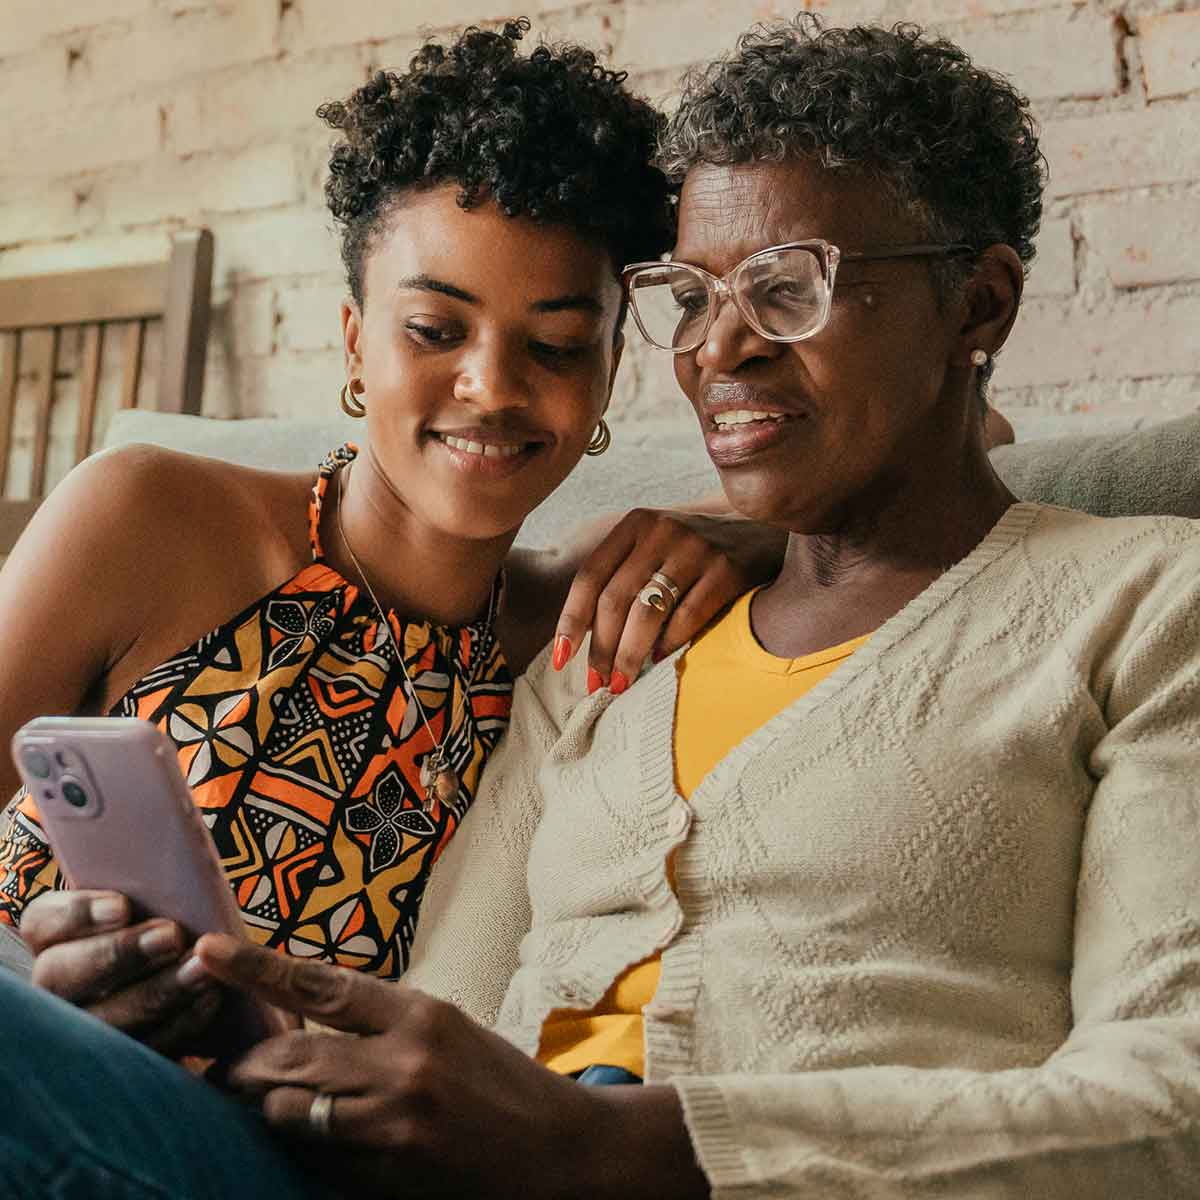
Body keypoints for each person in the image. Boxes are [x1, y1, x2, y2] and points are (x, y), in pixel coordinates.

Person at [3, 15, 1198, 1199]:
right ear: (357, 340)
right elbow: (440, 1025)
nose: (722, 351)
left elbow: (1173, 1106)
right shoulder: (594, 651)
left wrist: (611, 1149)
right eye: (694, 296)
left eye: (787, 291)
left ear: (981, 307)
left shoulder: (1136, 606)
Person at [0, 22, 758, 1052]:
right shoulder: (147, 519)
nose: (490, 387)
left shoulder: (567, 630)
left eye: (556, 344)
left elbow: (954, 443)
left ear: (610, 372)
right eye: (435, 331)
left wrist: (737, 532)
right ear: (356, 339)